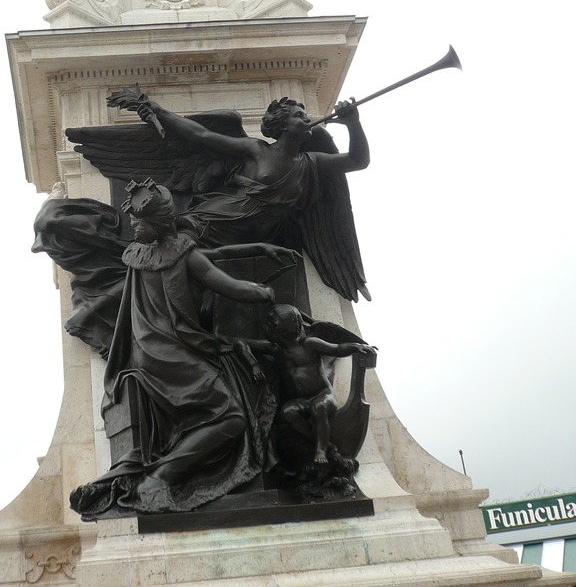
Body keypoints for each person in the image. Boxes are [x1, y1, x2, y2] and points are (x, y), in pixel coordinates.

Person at [69, 179, 275, 520]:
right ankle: (159, 479)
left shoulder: (139, 257)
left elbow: (211, 263)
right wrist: (264, 292)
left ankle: (162, 472)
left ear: (158, 221)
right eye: (134, 222)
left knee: (219, 403)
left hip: (146, 353)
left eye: (139, 222)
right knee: (231, 416)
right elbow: (232, 288)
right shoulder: (183, 255)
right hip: (170, 354)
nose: (134, 228)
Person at [135, 95, 369, 251]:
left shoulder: (309, 162)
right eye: (299, 116)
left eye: (305, 115)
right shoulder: (256, 149)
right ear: (283, 124)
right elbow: (202, 135)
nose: (307, 119)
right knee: (174, 252)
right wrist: (161, 113)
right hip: (220, 218)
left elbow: (358, 160)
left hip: (258, 235)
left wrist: (353, 123)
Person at [241, 304, 377, 465]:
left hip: (323, 394)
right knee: (288, 412)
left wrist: (356, 347)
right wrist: (253, 364)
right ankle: (320, 441)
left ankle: (321, 449)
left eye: (271, 325)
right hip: (301, 401)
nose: (266, 328)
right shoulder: (274, 349)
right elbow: (240, 343)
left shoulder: (309, 344)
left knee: (318, 407)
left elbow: (337, 349)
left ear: (285, 330)